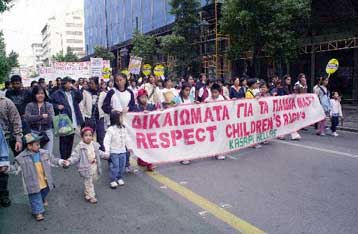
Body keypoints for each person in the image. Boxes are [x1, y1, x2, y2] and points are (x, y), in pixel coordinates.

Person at [6, 133, 64, 221]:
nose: (39, 146)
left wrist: (61, 161)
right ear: (29, 146)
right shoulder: (21, 157)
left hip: (44, 180)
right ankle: (38, 212)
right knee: (35, 196)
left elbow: (53, 160)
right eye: (37, 144)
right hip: (32, 182)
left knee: (45, 191)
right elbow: (15, 168)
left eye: (39, 144)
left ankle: (41, 199)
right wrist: (6, 168)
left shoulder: (44, 153)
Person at [62, 127, 108, 204]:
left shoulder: (94, 144)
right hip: (86, 167)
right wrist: (69, 161)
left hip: (95, 166)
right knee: (88, 182)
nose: (88, 137)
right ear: (82, 136)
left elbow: (98, 152)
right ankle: (90, 196)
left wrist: (105, 155)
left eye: (90, 135)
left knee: (94, 179)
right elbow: (75, 156)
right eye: (86, 135)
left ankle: (88, 191)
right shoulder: (80, 147)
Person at [102, 73, 135, 172]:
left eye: (121, 80)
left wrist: (129, 108)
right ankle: (112, 162)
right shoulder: (112, 92)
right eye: (117, 81)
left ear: (125, 80)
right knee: (115, 142)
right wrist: (112, 110)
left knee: (127, 142)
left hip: (127, 122)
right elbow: (105, 106)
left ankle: (126, 163)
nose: (119, 82)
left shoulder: (130, 92)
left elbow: (133, 105)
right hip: (115, 121)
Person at [51, 77, 83, 159]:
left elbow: (80, 97)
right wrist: (57, 106)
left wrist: (75, 89)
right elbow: (50, 103)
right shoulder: (57, 93)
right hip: (64, 119)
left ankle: (68, 157)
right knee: (64, 139)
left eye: (71, 83)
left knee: (71, 139)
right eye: (69, 83)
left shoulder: (73, 93)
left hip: (73, 118)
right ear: (64, 84)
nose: (71, 84)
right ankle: (63, 158)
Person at [0, 92, 22, 207]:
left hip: (4, 141)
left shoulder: (6, 102)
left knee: (2, 168)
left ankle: (3, 194)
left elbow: (16, 121)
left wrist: (18, 138)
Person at [24, 86, 55, 155]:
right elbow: (27, 118)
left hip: (47, 132)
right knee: (34, 154)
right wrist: (42, 116)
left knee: (47, 154)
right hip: (33, 133)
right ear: (34, 95)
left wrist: (34, 119)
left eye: (42, 93)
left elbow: (51, 119)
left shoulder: (49, 105)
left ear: (45, 94)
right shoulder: (30, 105)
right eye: (38, 94)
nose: (40, 95)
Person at [132, 89, 156, 171]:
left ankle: (149, 164)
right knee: (142, 147)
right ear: (138, 98)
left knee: (150, 147)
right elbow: (133, 117)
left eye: (145, 97)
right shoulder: (136, 107)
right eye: (142, 97)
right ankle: (142, 161)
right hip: (140, 131)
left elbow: (156, 114)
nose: (144, 99)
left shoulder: (151, 106)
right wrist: (141, 114)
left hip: (149, 130)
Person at [81, 77, 107, 151]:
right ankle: (88, 151)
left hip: (100, 117)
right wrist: (83, 117)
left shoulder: (103, 93)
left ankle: (101, 152)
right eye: (90, 83)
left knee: (101, 136)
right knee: (88, 136)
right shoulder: (85, 92)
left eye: (92, 83)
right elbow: (82, 105)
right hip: (88, 117)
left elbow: (105, 105)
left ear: (96, 84)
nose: (90, 85)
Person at [103, 112, 128, 189]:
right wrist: (107, 151)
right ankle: (113, 179)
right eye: (120, 118)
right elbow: (106, 140)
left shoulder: (124, 128)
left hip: (123, 151)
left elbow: (126, 138)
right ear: (116, 119)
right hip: (114, 151)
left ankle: (119, 177)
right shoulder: (111, 129)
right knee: (115, 166)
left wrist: (129, 146)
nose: (122, 119)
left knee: (122, 165)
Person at [173, 83, 196, 165]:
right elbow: (170, 108)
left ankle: (188, 155)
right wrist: (174, 106)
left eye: (189, 90)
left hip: (190, 122)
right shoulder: (177, 99)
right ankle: (182, 156)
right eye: (186, 90)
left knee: (189, 139)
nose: (188, 92)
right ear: (182, 90)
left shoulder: (191, 98)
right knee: (182, 140)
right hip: (180, 123)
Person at [204, 84, 226, 160]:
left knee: (219, 137)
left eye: (216, 92)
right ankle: (213, 151)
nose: (214, 94)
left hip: (219, 122)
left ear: (219, 92)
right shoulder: (207, 100)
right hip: (210, 122)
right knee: (212, 137)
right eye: (212, 92)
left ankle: (219, 153)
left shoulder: (221, 98)